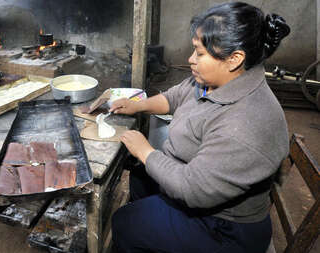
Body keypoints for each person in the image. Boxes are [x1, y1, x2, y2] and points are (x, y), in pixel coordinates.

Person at [110, 2, 291, 253]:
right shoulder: (217, 79)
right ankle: (151, 220)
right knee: (141, 175)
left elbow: (193, 189)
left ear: (234, 59)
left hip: (224, 229)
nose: (190, 59)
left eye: (199, 53)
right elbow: (175, 96)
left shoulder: (247, 124)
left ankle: (142, 229)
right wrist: (137, 106)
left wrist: (145, 151)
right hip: (197, 187)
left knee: (124, 222)